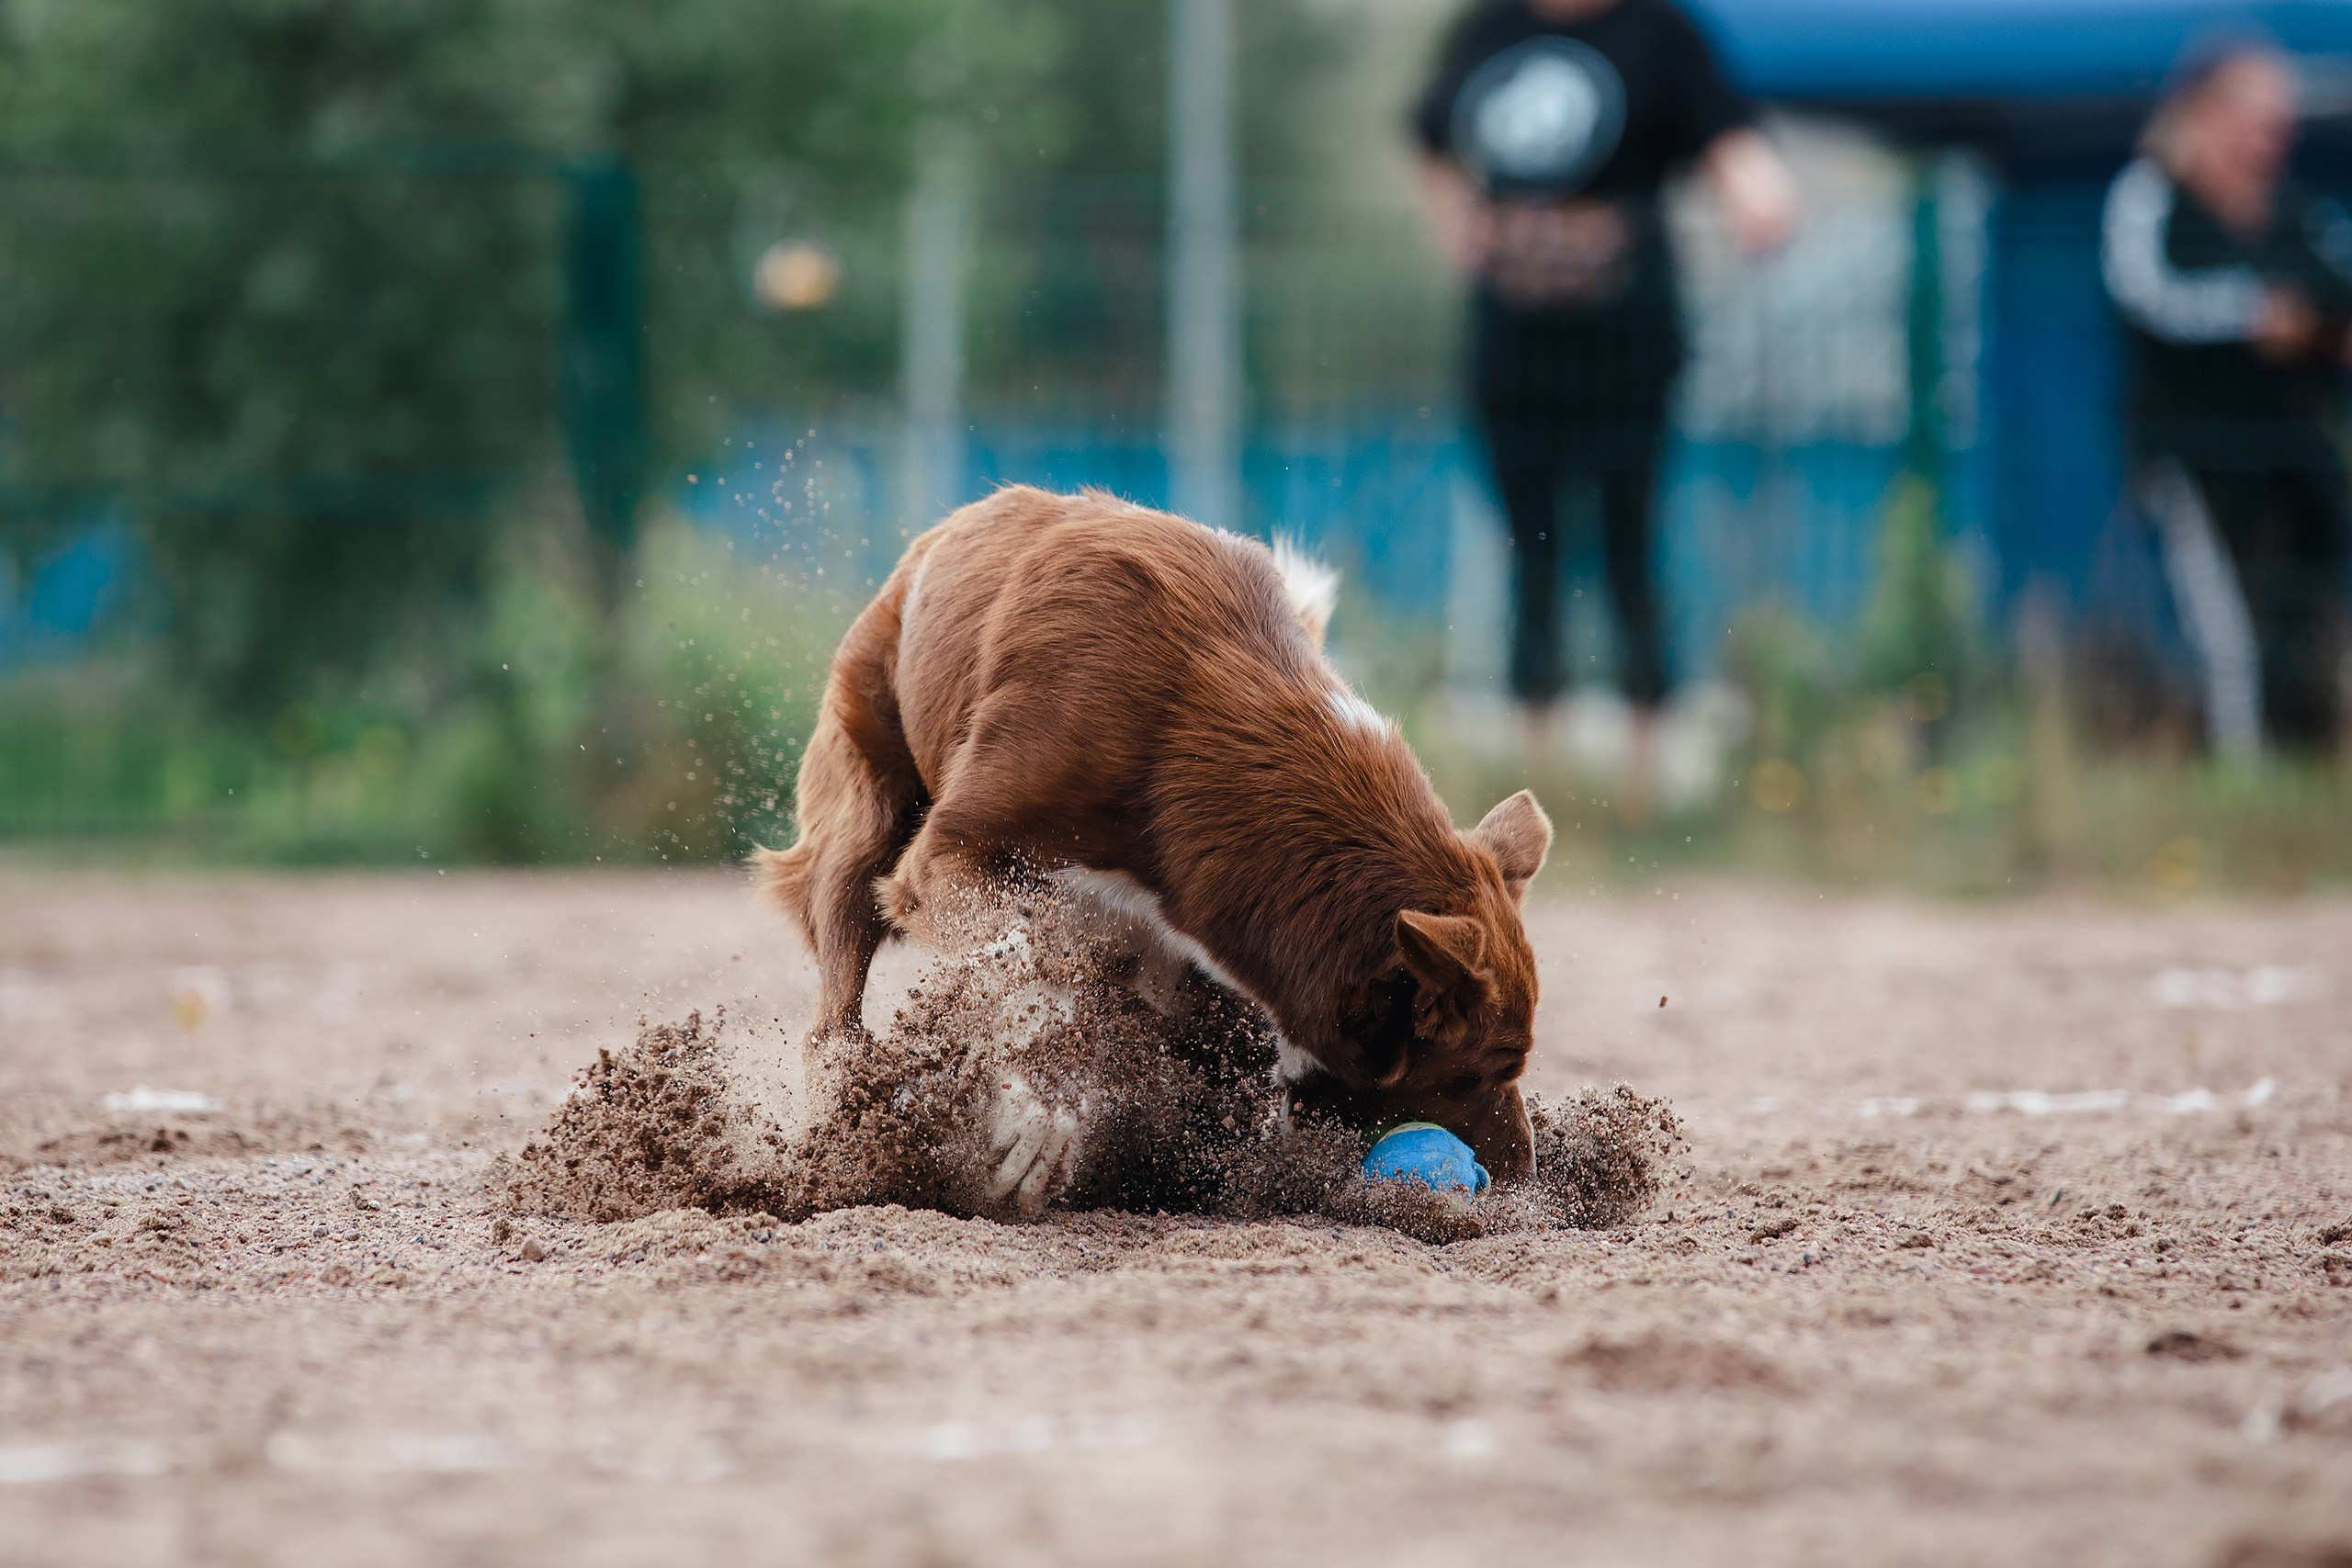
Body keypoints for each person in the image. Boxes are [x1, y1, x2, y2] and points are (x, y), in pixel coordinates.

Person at [1413, 0, 1794, 805]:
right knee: (1531, 556)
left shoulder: (1660, 34)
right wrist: (1457, 231)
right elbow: (1431, 138)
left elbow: (1730, 142)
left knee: (1631, 550)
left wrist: (1757, 192)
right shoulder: (1490, 31)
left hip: (1627, 343)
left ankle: (1640, 784)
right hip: (1514, 346)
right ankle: (1532, 785)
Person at [2102, 39, 2352, 756]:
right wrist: (2253, 314)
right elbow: (2146, 293)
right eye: (2257, 119)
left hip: (2288, 450)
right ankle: (2239, 771)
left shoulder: (2298, 212)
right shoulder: (2151, 196)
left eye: (2280, 122)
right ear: (2205, 114)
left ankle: (2304, 749)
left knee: (2303, 605)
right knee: (2225, 626)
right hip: (2194, 449)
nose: (2274, 137)